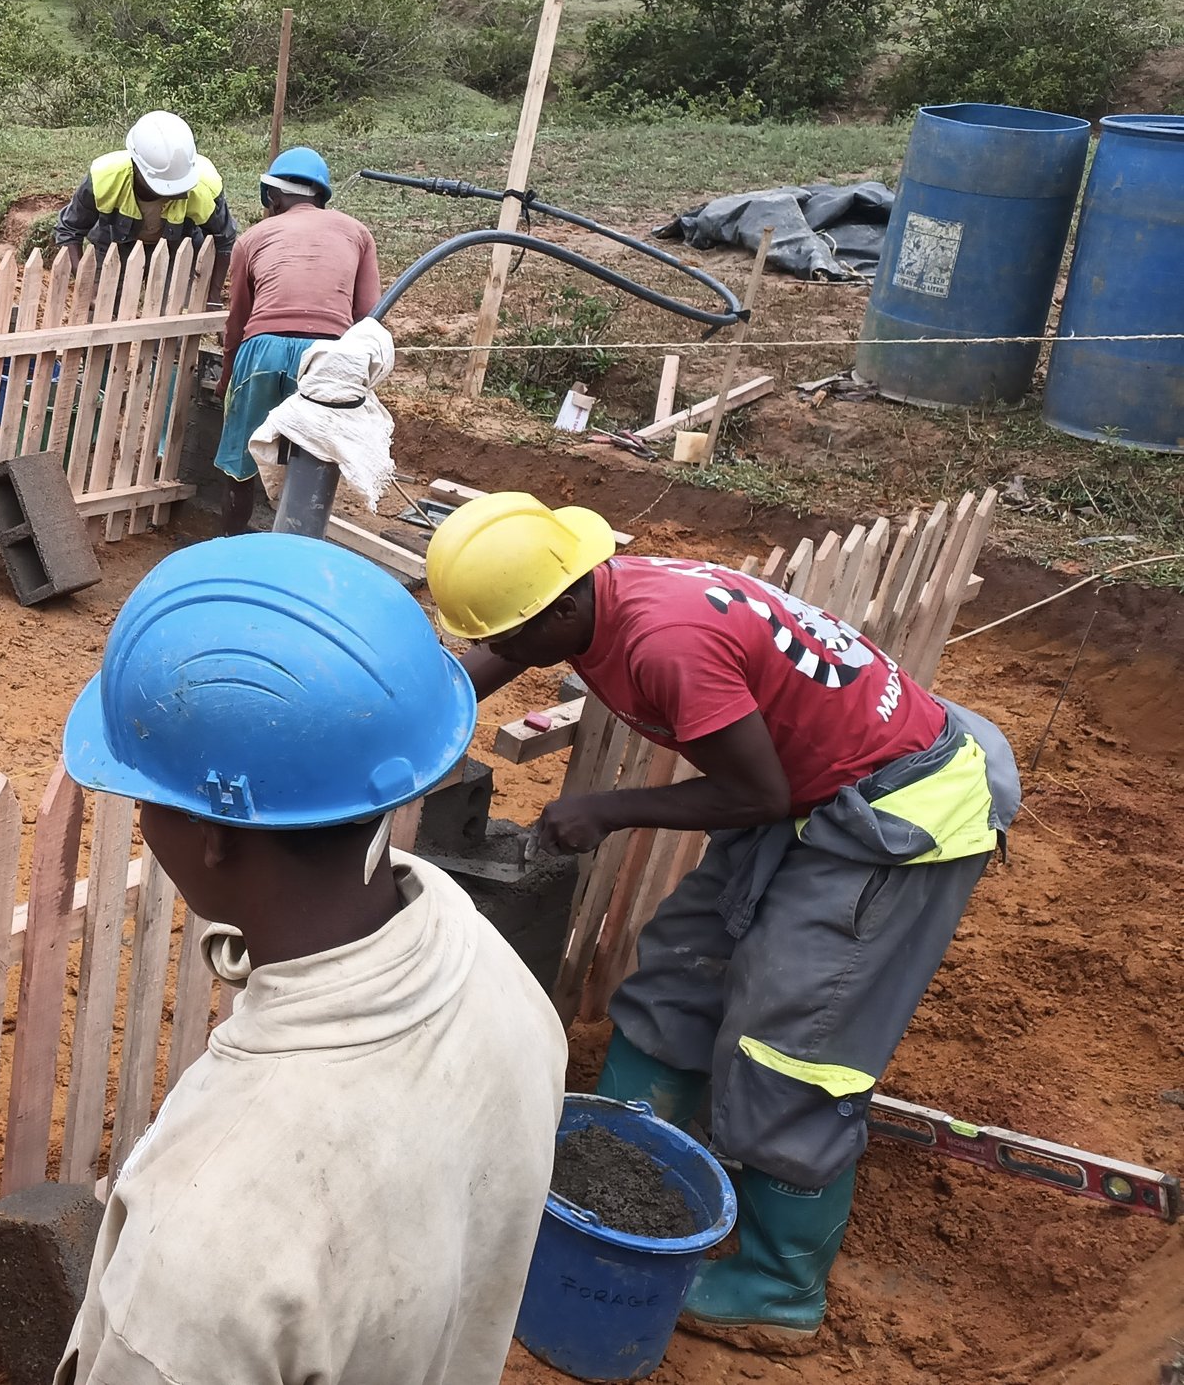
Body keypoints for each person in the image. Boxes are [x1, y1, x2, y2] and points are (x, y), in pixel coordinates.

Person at [429, 492, 1020, 1352]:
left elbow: (756, 794)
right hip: (801, 787)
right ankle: (628, 1153)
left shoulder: (667, 644)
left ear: (560, 605)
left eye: (513, 636)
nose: (505, 655)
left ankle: (783, 1283)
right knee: (682, 966)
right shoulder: (593, 594)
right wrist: (419, 719)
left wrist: (609, 808)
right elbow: (486, 661)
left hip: (891, 810)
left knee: (793, 1039)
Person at [55, 533, 565, 1385]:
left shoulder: (204, 1256)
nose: (142, 819)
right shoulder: (489, 967)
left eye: (148, 796)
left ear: (214, 834)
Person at [213, 145, 382, 532]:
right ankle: (296, 548)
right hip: (327, 357)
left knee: (239, 458)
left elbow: (237, 320)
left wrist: (227, 377)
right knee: (314, 455)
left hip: (262, 352)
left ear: (272, 196)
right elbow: (368, 318)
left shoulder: (253, 238)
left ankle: (228, 544)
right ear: (321, 197)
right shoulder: (357, 233)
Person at [53, 110, 238, 295]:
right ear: (136, 167)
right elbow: (69, 229)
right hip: (114, 246)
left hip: (177, 250)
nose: (176, 193)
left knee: (174, 314)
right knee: (104, 310)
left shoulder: (204, 186)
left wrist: (212, 297)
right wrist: (86, 286)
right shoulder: (105, 178)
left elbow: (224, 239)